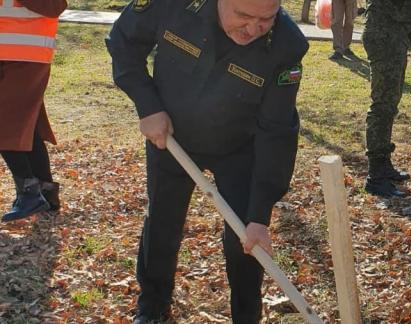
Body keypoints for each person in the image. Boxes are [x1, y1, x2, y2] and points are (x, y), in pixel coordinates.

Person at [105, 0, 309, 322]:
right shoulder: (173, 4)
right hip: (172, 135)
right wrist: (147, 105)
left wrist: (260, 215)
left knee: (245, 238)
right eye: (243, 16)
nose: (253, 29)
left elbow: (277, 131)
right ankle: (153, 306)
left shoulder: (286, 45)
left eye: (265, 20)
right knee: (162, 221)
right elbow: (123, 42)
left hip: (241, 148)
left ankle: (246, 316)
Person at [362, 0, 411, 197]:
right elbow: (407, 12)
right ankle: (376, 175)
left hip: (394, 36)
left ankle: (384, 164)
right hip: (384, 37)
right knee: (383, 106)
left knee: (390, 105)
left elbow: (407, 16)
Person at [0, 0, 66, 222]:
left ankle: (29, 192)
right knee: (27, 125)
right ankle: (46, 192)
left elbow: (56, 5)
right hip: (10, 55)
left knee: (5, 124)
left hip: (27, 55)